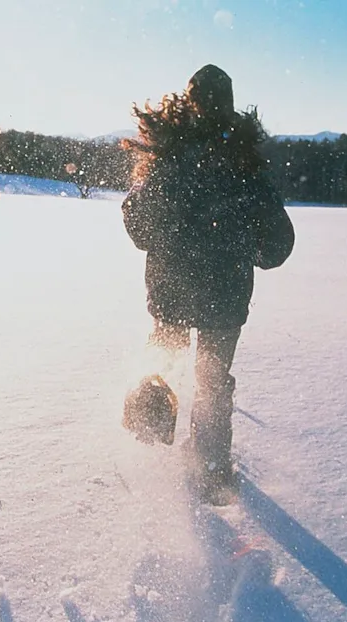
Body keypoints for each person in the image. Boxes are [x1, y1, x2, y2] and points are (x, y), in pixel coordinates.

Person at [121, 64, 294, 505]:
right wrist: (243, 251)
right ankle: (211, 472)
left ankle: (149, 451)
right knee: (212, 381)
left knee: (163, 363)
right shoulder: (244, 164)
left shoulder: (168, 159)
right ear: (230, 106)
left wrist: (173, 238)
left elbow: (138, 228)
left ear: (187, 101)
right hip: (225, 297)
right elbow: (277, 246)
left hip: (172, 293)